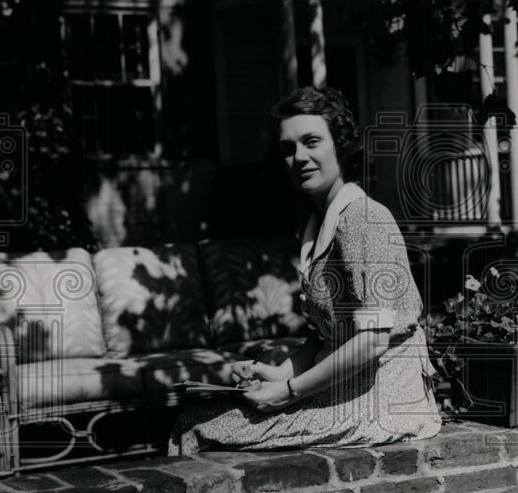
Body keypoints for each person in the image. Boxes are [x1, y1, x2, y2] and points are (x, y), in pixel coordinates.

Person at [168, 86, 442, 454]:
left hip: (385, 400)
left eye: (312, 141)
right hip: (349, 387)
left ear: (340, 145)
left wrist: (289, 392)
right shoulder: (318, 223)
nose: (299, 157)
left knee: (197, 426)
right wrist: (279, 373)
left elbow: (372, 340)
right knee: (201, 415)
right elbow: (325, 338)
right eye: (287, 148)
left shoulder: (364, 218)